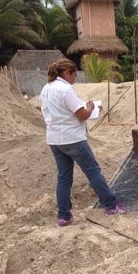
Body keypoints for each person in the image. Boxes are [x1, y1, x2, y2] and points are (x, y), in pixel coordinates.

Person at [40, 59, 126, 227]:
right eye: (74, 75)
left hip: (54, 139)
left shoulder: (46, 89)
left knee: (64, 178)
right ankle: (111, 205)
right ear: (67, 73)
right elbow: (83, 115)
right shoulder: (65, 89)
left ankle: (64, 216)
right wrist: (91, 107)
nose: (75, 79)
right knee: (93, 172)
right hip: (72, 138)